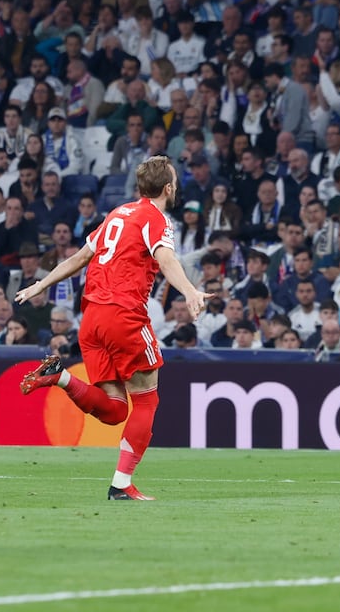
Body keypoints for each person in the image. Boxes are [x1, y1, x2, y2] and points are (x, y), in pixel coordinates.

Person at [16, 156, 209, 501]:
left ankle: (60, 376)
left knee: (116, 408)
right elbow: (166, 259)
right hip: (124, 316)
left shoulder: (117, 214)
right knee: (146, 402)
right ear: (168, 188)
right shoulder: (157, 218)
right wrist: (191, 291)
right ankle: (121, 484)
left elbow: (78, 259)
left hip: (91, 319)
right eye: (175, 182)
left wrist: (40, 284)